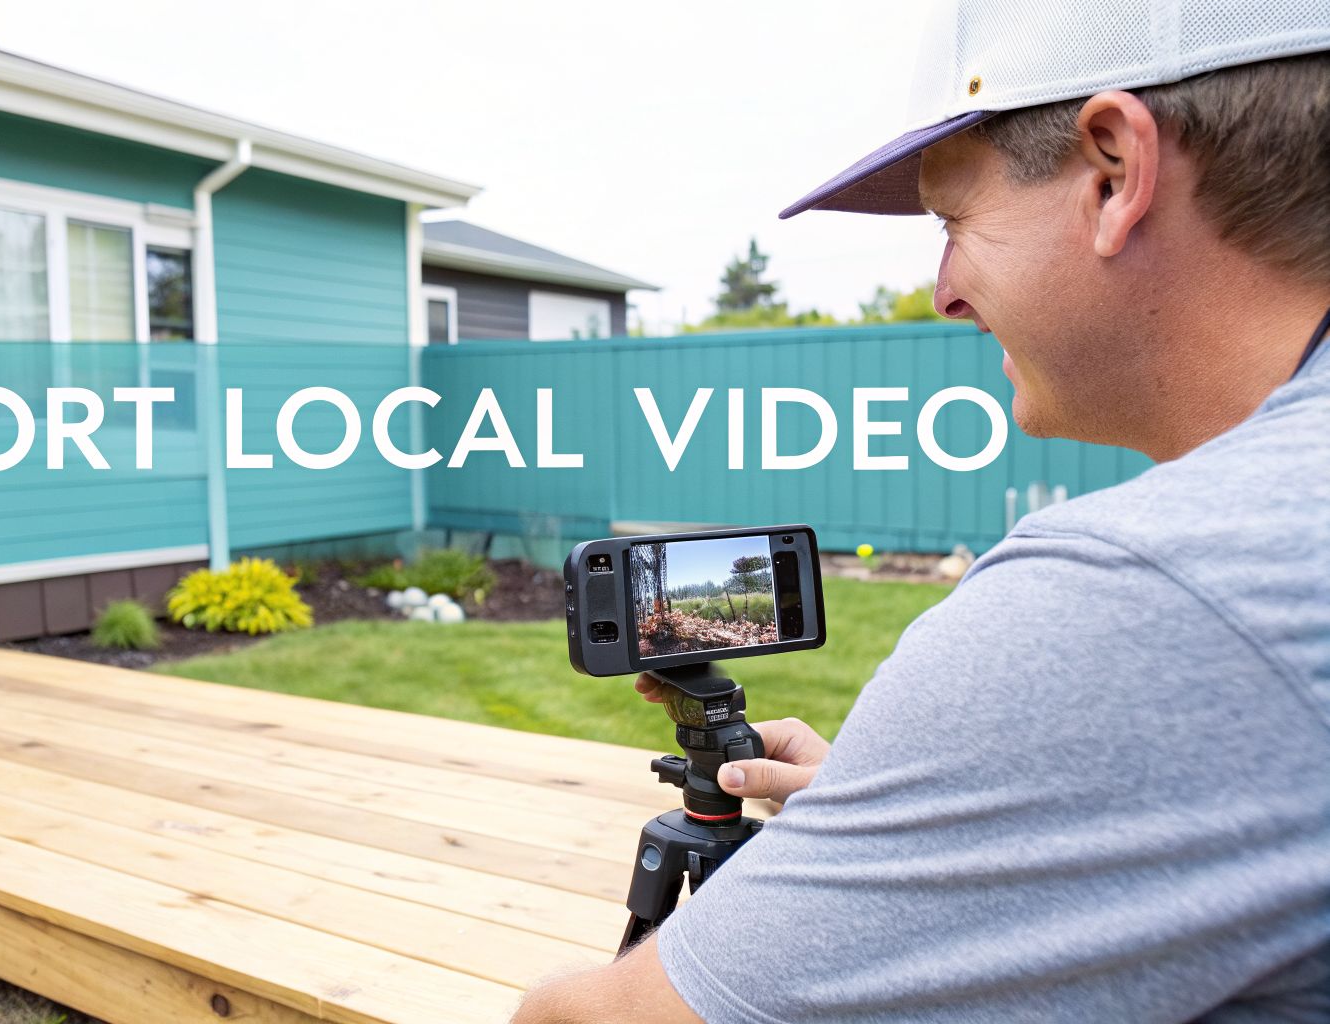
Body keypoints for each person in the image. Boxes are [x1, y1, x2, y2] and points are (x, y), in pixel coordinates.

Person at [512, 2, 1329, 1020]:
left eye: (952, 220)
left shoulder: (1144, 590)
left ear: (1114, 171)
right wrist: (938, 816)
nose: (942, 290)